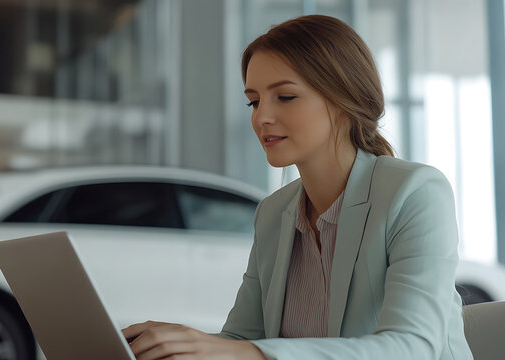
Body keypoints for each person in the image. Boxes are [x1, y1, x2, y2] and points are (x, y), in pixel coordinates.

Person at [122, 14, 473, 360]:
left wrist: (242, 352)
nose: (261, 117)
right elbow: (243, 339)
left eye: (285, 97)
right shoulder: (274, 213)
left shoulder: (415, 192)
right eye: (254, 100)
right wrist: (177, 344)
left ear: (342, 100)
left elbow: (412, 348)